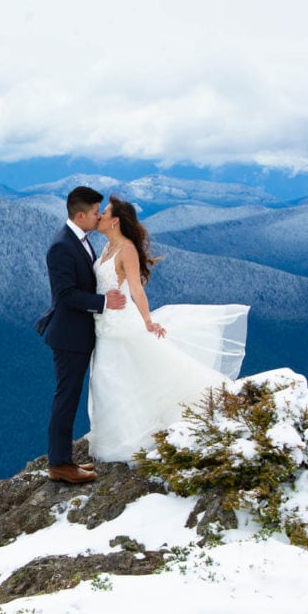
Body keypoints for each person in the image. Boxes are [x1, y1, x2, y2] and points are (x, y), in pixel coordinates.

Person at [88, 195, 249, 463]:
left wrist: (147, 321)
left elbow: (136, 290)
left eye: (104, 212)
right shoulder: (106, 248)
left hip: (121, 326)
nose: (99, 216)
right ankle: (118, 434)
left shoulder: (126, 249)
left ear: (115, 221)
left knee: (116, 377)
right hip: (104, 325)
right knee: (107, 380)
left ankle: (127, 439)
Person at [36, 186, 126, 484]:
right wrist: (103, 303)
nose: (99, 216)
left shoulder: (80, 241)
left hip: (80, 333)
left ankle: (63, 460)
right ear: (80, 214)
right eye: (96, 212)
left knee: (69, 396)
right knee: (66, 398)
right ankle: (59, 464)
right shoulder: (61, 246)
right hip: (68, 337)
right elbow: (65, 295)